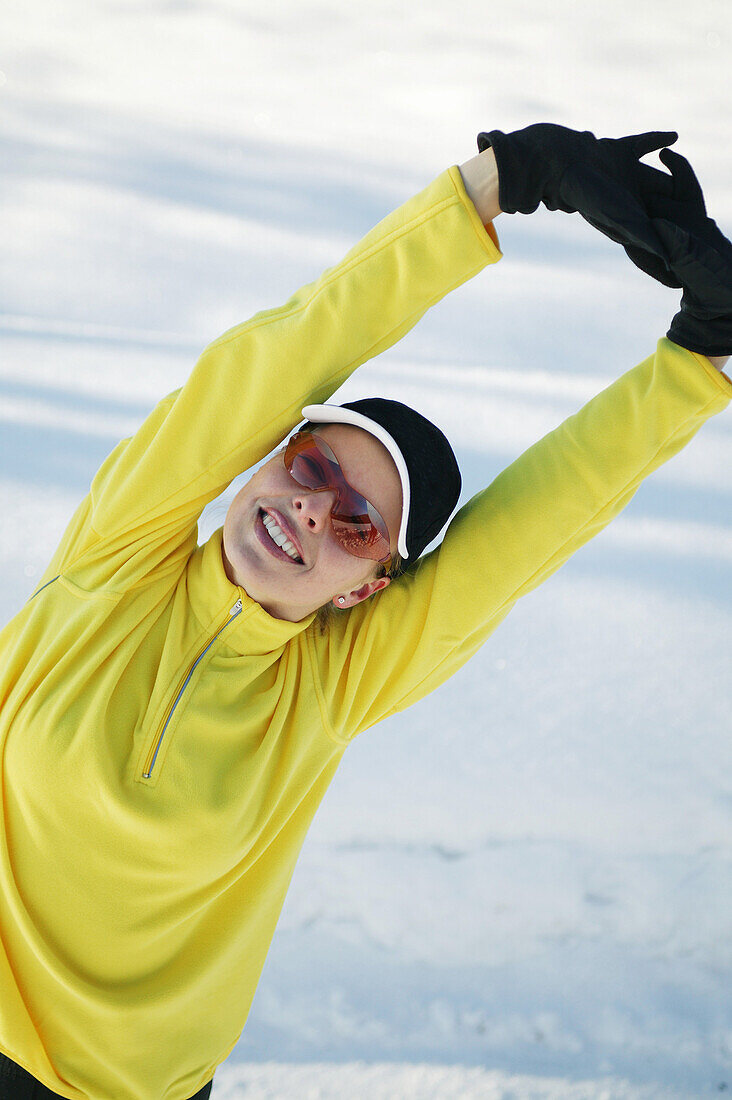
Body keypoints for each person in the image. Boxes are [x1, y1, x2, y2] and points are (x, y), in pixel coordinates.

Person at [0, 123, 729, 1100]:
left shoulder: (324, 691)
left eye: (355, 521)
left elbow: (523, 534)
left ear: (366, 586)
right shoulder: (119, 557)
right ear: (261, 455)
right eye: (310, 465)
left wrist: (698, 356)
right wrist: (509, 180)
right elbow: (298, 340)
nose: (310, 506)